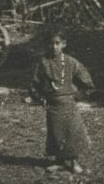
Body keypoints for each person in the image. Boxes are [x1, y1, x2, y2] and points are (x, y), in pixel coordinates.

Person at [31, 29, 95, 172]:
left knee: (71, 131)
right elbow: (34, 83)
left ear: (63, 44)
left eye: (57, 43)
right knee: (56, 132)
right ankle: (59, 161)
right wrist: (41, 98)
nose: (54, 47)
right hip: (52, 104)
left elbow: (87, 83)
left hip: (68, 104)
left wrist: (76, 96)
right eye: (51, 43)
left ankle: (73, 162)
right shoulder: (42, 63)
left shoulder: (71, 62)